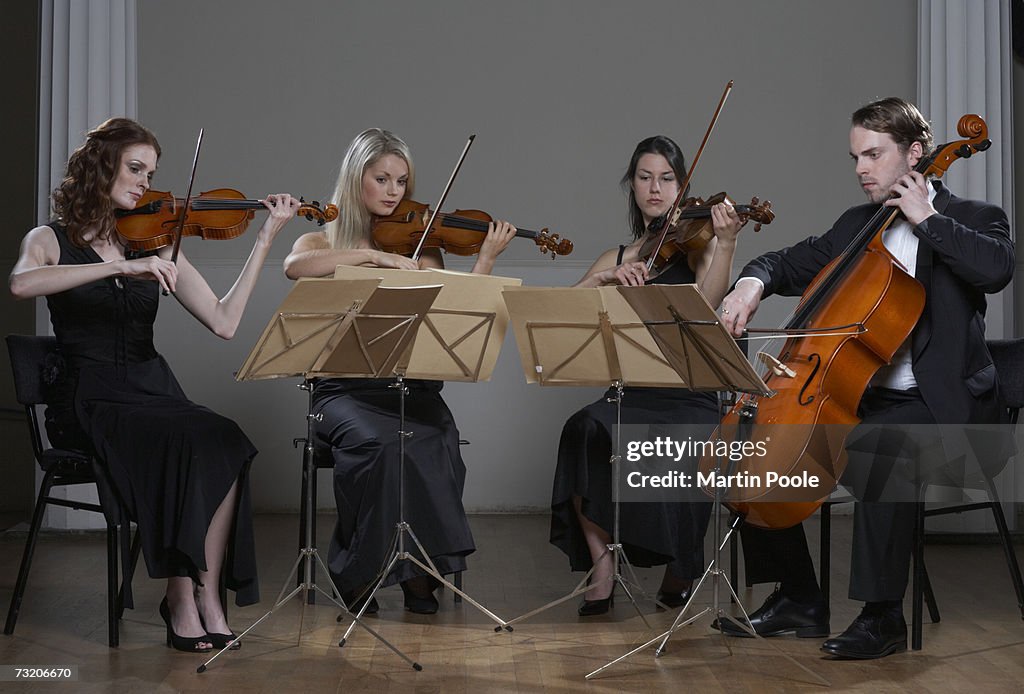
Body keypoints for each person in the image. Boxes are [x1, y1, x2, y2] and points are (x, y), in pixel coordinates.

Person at [715, 97, 1014, 658]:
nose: (861, 169)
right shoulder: (856, 226)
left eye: (874, 154)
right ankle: (799, 597)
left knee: (881, 447)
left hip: (940, 406)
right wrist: (749, 285)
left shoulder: (974, 217)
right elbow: (784, 261)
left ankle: (882, 617)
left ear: (916, 154)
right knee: (755, 444)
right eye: (856, 156)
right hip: (861, 398)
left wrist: (928, 220)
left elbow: (996, 269)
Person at [9, 118, 300, 652]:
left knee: (223, 436)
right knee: (184, 440)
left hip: (152, 389)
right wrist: (117, 270)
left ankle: (201, 595)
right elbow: (21, 283)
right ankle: (183, 601)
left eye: (152, 173)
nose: (146, 183)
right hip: (89, 398)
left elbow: (224, 321)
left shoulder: (156, 241)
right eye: (136, 168)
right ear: (102, 168)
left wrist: (264, 239)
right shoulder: (49, 239)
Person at [283, 127, 516, 614]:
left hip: (408, 386)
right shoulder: (319, 240)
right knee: (380, 444)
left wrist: (487, 257)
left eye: (402, 182)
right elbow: (295, 267)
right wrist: (371, 255)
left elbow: (457, 308)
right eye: (382, 179)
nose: (393, 192)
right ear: (356, 179)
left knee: (435, 439)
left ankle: (418, 571)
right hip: (342, 393)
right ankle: (360, 574)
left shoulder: (423, 248)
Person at [549, 135, 745, 615]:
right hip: (630, 392)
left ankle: (681, 566)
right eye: (645, 177)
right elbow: (560, 316)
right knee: (582, 430)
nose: (655, 188)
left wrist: (726, 242)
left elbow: (710, 300)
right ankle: (601, 566)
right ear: (632, 186)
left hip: (691, 394)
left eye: (667, 178)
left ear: (682, 188)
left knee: (684, 439)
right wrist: (601, 280)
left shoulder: (696, 245)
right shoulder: (619, 257)